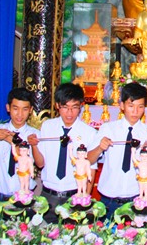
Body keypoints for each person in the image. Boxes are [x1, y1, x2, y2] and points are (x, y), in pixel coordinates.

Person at [88, 82, 147, 220]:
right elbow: (89, 160)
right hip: (108, 199)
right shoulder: (108, 129)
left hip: (136, 200)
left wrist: (146, 161)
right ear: (122, 105)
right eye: (131, 106)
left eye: (140, 106)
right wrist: (100, 148)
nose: (135, 111)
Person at [36, 83, 98, 223]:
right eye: (65, 107)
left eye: (74, 107)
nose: (69, 113)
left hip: (74, 195)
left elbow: (91, 169)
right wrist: (34, 146)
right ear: (57, 105)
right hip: (48, 194)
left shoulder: (89, 133)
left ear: (81, 106)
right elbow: (40, 162)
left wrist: (83, 200)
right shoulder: (47, 127)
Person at [0, 87, 42, 203]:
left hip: (24, 197)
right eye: (15, 108)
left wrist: (13, 141)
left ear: (31, 110)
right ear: (8, 108)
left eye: (25, 109)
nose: (20, 114)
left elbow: (40, 163)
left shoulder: (35, 135)